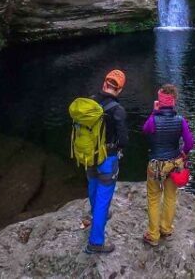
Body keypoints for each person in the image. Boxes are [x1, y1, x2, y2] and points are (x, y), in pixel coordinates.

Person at [141, 84, 194, 247]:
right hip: (173, 164)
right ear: (174, 101)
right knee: (170, 197)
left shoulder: (153, 120)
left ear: (160, 101)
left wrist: (154, 111)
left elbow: (145, 130)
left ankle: (153, 234)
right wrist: (182, 154)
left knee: (154, 198)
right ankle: (166, 228)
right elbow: (190, 143)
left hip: (155, 164)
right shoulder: (180, 120)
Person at [85, 69, 129, 254]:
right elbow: (124, 140)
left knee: (93, 185)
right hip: (107, 158)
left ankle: (94, 214)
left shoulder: (90, 101)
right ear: (119, 90)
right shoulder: (117, 110)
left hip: (88, 155)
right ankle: (95, 242)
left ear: (104, 83)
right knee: (104, 197)